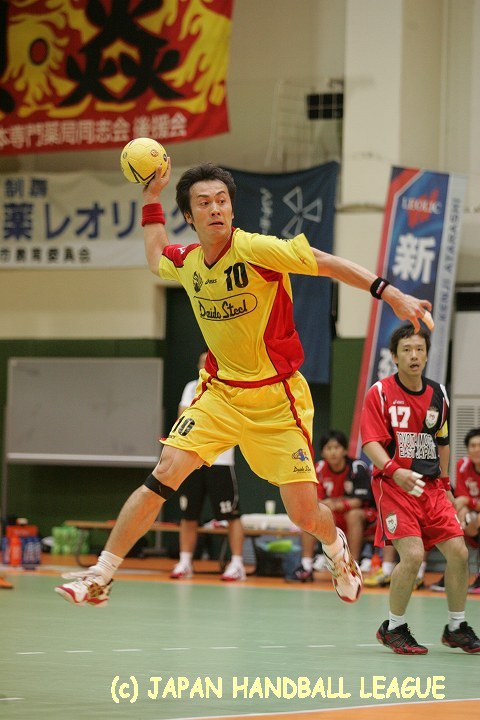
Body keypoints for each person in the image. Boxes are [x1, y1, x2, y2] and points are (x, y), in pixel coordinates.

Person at [55, 160, 432, 608]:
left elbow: (326, 263)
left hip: (277, 399)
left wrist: (391, 293)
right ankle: (101, 574)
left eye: (222, 201)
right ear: (189, 216)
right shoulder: (189, 262)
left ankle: (336, 549)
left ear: (232, 209)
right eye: (204, 203)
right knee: (165, 473)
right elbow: (156, 257)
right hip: (219, 394)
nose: (215, 209)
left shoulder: (256, 249)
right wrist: (151, 197)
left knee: (304, 513)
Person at [360, 323, 480, 654]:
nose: (414, 355)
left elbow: (442, 441)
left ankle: (456, 627)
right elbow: (369, 442)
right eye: (407, 350)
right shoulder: (380, 392)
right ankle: (393, 627)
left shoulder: (438, 393)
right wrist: (394, 470)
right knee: (412, 555)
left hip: (431, 487)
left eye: (419, 349)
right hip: (393, 485)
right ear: (395, 356)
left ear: (427, 355)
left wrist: (445, 483)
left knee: (458, 553)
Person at [171, 351, 246, 581]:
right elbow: (183, 418)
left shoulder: (229, 387)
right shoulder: (191, 387)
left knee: (231, 515)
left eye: (209, 362)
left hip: (220, 461)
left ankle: (237, 564)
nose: (205, 365)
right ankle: (185, 562)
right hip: (192, 459)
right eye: (202, 362)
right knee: (189, 514)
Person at [291, 430, 376, 582]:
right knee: (310, 517)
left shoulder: (357, 467)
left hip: (363, 518)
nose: (333, 452)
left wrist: (336, 504)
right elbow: (315, 500)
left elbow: (358, 501)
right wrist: (330, 505)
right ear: (323, 452)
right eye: (329, 448)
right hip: (333, 516)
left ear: (344, 450)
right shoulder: (318, 468)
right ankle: (306, 566)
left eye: (337, 448)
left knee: (353, 514)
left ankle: (352, 566)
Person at [431, 427, 480, 594]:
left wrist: (469, 502)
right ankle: (452, 575)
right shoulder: (462, 465)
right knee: (456, 518)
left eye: (479, 446)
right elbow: (460, 498)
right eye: (473, 446)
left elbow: (466, 499)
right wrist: (462, 513)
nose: (476, 449)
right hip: (471, 515)